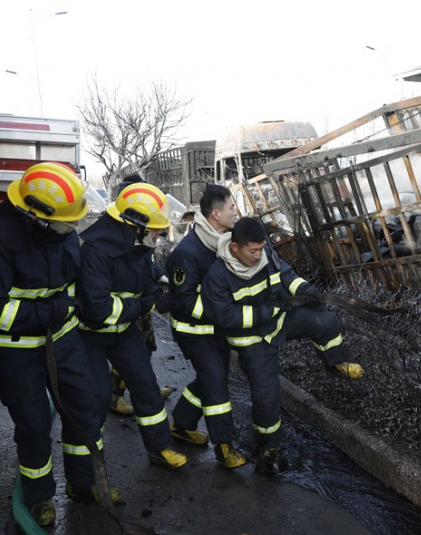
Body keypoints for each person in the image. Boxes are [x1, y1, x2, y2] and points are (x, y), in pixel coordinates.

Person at [0, 162, 121, 526]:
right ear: (35, 217)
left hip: (64, 338)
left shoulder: (61, 228)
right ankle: (39, 497)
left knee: (86, 407)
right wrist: (52, 310)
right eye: (68, 221)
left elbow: (70, 281)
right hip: (17, 351)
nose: (74, 227)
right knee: (35, 424)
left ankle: (83, 483)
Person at [201, 217, 364, 472]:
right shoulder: (217, 276)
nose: (258, 256)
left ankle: (334, 363)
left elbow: (288, 277)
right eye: (252, 251)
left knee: (324, 322)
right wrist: (267, 311)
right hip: (253, 341)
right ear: (235, 248)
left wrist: (308, 291)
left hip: (279, 321)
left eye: (260, 249)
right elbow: (225, 316)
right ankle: (268, 445)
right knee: (267, 397)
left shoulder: (267, 254)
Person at [76, 182, 186, 470]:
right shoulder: (96, 252)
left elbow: (145, 265)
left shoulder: (134, 240)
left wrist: (163, 281)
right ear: (134, 225)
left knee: (146, 388)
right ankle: (87, 474)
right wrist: (145, 304)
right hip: (91, 338)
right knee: (95, 401)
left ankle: (160, 448)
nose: (160, 234)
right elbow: (99, 311)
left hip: (123, 333)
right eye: (155, 229)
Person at [166, 184, 247, 468]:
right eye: (231, 207)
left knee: (212, 377)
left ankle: (182, 423)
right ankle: (224, 447)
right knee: (215, 383)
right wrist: (223, 314)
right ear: (216, 214)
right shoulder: (186, 254)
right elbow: (184, 301)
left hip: (216, 329)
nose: (235, 211)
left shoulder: (223, 241)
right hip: (194, 332)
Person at [107, 174, 172, 416]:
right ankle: (114, 395)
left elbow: (146, 260)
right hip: (126, 304)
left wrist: (159, 276)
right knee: (130, 354)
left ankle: (147, 389)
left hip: (141, 299)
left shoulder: (143, 228)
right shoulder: (124, 229)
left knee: (146, 348)